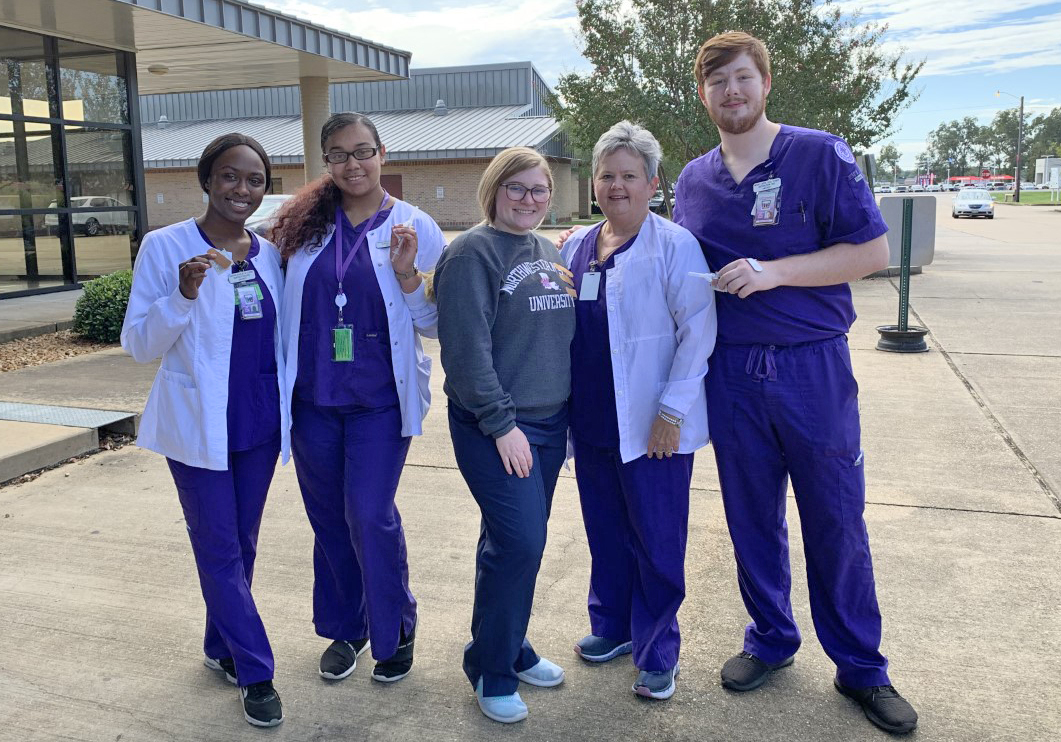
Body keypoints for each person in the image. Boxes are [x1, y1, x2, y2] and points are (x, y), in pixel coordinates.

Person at [672, 31, 918, 734]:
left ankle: (861, 668)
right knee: (751, 520)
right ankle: (771, 640)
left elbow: (872, 251)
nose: (732, 93)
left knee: (835, 518)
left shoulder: (817, 153)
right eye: (717, 83)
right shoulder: (692, 179)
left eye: (743, 78)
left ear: (765, 83)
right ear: (702, 94)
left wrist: (774, 272)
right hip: (733, 373)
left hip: (811, 365)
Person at [272, 112, 446, 686]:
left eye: (363, 152)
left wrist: (406, 278)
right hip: (312, 399)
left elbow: (436, 323)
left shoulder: (416, 226)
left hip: (379, 399)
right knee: (328, 520)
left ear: (382, 154)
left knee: (369, 514)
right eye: (340, 155)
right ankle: (347, 628)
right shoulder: (302, 226)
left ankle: (395, 626)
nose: (353, 165)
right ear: (325, 163)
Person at [121, 134, 286, 728]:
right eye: (230, 177)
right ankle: (256, 669)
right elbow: (139, 344)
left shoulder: (269, 254)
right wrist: (182, 296)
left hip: (260, 423)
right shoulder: (165, 247)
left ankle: (220, 646)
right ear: (206, 179)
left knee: (241, 546)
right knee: (217, 545)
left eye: (254, 180)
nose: (242, 190)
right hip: (198, 425)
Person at [559, 121, 716, 701]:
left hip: (654, 424)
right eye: (607, 176)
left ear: (653, 183)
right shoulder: (577, 246)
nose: (617, 186)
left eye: (630, 176)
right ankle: (613, 627)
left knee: (655, 536)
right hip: (594, 418)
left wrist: (671, 413)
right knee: (605, 531)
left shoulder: (674, 245)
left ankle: (657, 649)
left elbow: (697, 333)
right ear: (594, 184)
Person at [433, 147, 575, 724]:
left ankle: (509, 646)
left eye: (539, 189)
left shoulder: (546, 249)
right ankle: (491, 670)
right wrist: (502, 425)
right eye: (516, 188)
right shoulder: (471, 253)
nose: (529, 199)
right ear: (493, 189)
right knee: (520, 543)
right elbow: (466, 355)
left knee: (513, 544)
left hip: (551, 421)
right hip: (495, 425)